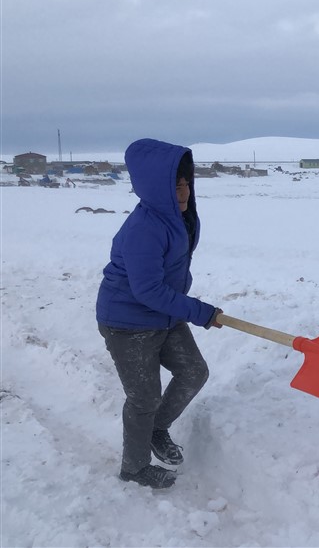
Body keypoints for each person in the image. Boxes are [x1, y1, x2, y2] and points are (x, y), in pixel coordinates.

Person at [96, 138, 222, 488]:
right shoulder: (143, 229)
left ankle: (156, 429)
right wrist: (200, 311)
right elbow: (147, 289)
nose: (183, 192)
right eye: (174, 186)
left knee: (194, 372)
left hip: (163, 314)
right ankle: (133, 468)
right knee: (144, 398)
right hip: (126, 323)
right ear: (156, 187)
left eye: (186, 184)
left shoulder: (179, 219)